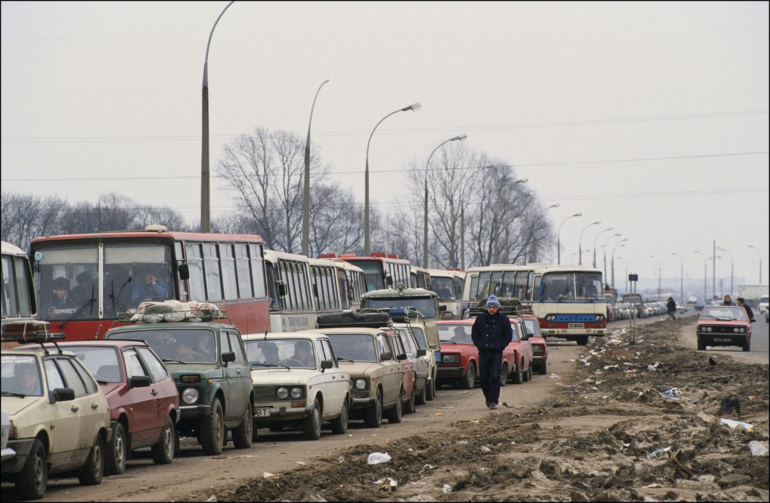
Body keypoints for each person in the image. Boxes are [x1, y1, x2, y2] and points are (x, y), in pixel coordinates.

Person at [471, 295, 513, 410]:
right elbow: (474, 333)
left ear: (497, 308)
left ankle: (494, 401)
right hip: (483, 352)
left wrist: (500, 345)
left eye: (494, 307)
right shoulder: (480, 318)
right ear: (487, 307)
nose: (491, 309)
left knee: (495, 376)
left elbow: (508, 335)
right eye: (490, 307)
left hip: (496, 352)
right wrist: (479, 344)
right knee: (484, 378)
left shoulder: (503, 319)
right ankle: (488, 397)